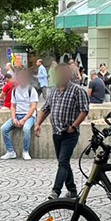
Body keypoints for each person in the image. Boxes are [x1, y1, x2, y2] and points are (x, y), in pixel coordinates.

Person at [34, 62, 91, 200]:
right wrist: (38, 124)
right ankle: (72, 190)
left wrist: (74, 126)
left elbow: (84, 110)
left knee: (63, 161)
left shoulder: (77, 90)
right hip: (57, 133)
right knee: (63, 162)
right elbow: (45, 109)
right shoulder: (54, 91)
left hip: (69, 133)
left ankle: (56, 191)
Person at [0, 68, 42, 160]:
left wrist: (24, 119)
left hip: (29, 116)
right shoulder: (15, 90)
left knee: (26, 129)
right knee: (4, 129)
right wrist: (14, 118)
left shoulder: (31, 90)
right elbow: (13, 106)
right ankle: (10, 151)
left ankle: (25, 151)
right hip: (18, 115)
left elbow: (33, 107)